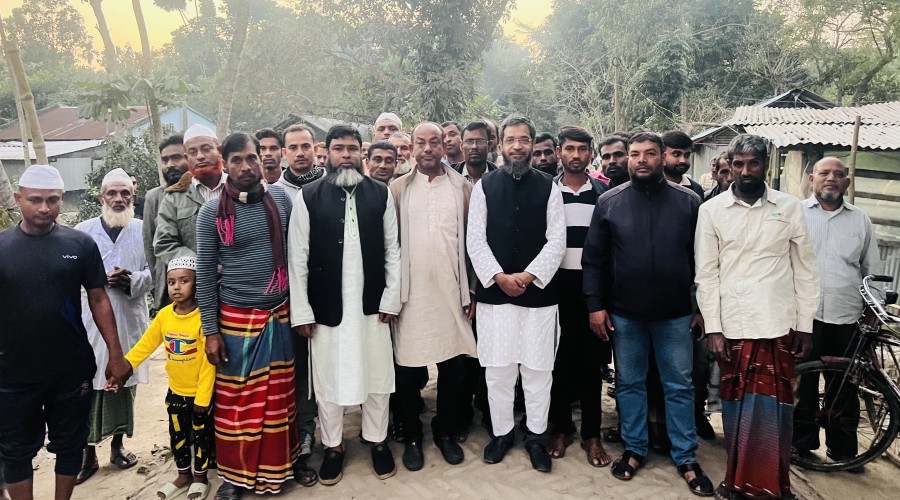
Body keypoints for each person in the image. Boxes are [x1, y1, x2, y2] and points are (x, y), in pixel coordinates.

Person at [582, 132, 712, 495]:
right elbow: (594, 260)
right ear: (627, 158)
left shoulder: (689, 202)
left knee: (679, 386)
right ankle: (635, 448)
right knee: (629, 383)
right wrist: (595, 306)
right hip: (626, 315)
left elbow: (704, 261)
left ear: (662, 157)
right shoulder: (610, 202)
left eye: (650, 153)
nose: (642, 160)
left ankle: (685, 456)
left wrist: (701, 308)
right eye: (635, 154)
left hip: (676, 315)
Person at [695, 134, 819, 500]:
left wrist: (805, 325)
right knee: (735, 411)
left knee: (778, 413)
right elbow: (707, 274)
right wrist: (714, 329)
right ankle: (737, 483)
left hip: (779, 324)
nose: (746, 171)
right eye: (739, 164)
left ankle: (774, 487)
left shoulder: (789, 207)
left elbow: (806, 269)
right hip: (733, 326)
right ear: (730, 166)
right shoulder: (712, 211)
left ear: (766, 165)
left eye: (753, 163)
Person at [0, 164, 131, 500]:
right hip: (13, 372)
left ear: (62, 199)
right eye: (36, 200)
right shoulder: (2, 247)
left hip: (70, 369)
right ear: (18, 199)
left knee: (71, 442)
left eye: (53, 200)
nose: (45, 208)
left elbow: (99, 299)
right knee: (15, 449)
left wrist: (116, 355)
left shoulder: (80, 244)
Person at [287, 124, 401, 485]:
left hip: (373, 307)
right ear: (328, 153)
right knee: (328, 380)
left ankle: (378, 441)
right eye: (339, 148)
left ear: (361, 153)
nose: (346, 155)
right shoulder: (308, 196)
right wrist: (302, 312)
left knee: (377, 377)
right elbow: (297, 257)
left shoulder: (381, 194)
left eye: (353, 148)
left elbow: (393, 251)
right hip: (325, 310)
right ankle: (334, 447)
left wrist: (391, 298)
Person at [196, 132, 298, 498]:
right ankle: (235, 478)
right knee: (237, 404)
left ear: (263, 159)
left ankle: (280, 469)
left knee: (279, 402)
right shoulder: (211, 213)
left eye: (251, 158)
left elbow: (297, 257)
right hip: (236, 321)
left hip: (280, 315)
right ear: (224, 164)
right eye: (237, 160)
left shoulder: (281, 199)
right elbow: (205, 275)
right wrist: (211, 331)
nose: (246, 166)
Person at [467, 114, 566, 473]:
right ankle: (502, 433)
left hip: (538, 295)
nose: (518, 146)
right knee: (499, 370)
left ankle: (535, 436)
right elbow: (475, 239)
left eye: (524, 139)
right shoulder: (484, 186)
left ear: (533, 143)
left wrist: (527, 276)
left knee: (538, 371)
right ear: (501, 145)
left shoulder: (549, 187)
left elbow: (557, 240)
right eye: (511, 140)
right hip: (496, 296)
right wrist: (499, 277)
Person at [389, 122, 477, 471]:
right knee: (408, 372)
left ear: (444, 146)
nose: (427, 148)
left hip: (452, 292)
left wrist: (471, 291)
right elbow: (390, 247)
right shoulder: (397, 189)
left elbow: (472, 244)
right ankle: (412, 436)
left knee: (453, 367)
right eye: (421, 142)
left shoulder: (462, 187)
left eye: (434, 142)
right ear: (411, 147)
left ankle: (445, 432)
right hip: (410, 296)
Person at [793, 157, 882, 471]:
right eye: (824, 173)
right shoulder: (796, 215)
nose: (831, 178)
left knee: (845, 387)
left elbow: (872, 269)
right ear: (812, 179)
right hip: (804, 318)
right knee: (802, 386)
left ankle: (843, 451)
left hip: (848, 317)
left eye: (838, 174)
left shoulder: (860, 220)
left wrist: (873, 310)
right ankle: (801, 445)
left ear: (847, 182)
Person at [73, 168, 153, 485]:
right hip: (90, 323)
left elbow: (156, 271)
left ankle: (118, 446)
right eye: (112, 193)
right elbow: (70, 276)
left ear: (133, 197)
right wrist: (96, 282)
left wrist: (133, 280)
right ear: (100, 198)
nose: (119, 199)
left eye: (125, 194)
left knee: (125, 383)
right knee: (88, 386)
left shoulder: (144, 230)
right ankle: (87, 454)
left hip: (130, 319)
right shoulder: (82, 232)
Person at [121, 256, 214, 500]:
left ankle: (200, 478)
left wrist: (203, 397)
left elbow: (209, 363)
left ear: (197, 284)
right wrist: (126, 365)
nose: (176, 287)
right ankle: (183, 475)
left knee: (201, 436)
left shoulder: (204, 317)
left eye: (184, 281)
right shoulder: (164, 316)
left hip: (199, 395)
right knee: (177, 435)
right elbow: (146, 344)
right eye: (172, 282)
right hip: (175, 392)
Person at [546, 126, 611, 467]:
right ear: (559, 152)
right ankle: (561, 428)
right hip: (555, 288)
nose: (575, 155)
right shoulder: (547, 191)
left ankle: (592, 434)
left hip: (591, 289)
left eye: (582, 149)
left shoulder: (604, 194)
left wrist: (600, 298)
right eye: (569, 148)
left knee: (590, 364)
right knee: (558, 361)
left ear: (590, 154)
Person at [154, 124, 227, 270]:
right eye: (193, 152)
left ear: (219, 152)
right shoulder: (174, 199)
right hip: (196, 281)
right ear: (187, 158)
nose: (200, 156)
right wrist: (201, 264)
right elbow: (164, 243)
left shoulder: (238, 188)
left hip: (241, 278)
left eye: (206, 149)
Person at [144, 134, 190, 311]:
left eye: (176, 158)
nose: (170, 164)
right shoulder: (154, 197)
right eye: (165, 160)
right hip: (169, 293)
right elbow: (149, 246)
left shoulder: (202, 192)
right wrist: (158, 284)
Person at [276, 124, 325, 199]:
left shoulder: (333, 184)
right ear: (284, 153)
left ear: (315, 150)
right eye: (293, 148)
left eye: (305, 147)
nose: (300, 153)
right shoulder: (275, 193)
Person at [661, 131, 705, 199]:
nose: (683, 160)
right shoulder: (649, 186)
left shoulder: (696, 189)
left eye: (686, 155)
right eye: (676, 154)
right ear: (662, 156)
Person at [452, 120, 498, 184]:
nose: (474, 147)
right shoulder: (449, 175)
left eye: (480, 141)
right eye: (469, 141)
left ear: (489, 145)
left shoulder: (500, 179)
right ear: (461, 146)